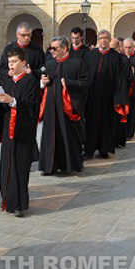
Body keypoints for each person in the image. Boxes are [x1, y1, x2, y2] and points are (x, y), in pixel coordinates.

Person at [0, 46, 39, 216]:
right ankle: (6, 199)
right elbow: (4, 109)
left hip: (22, 132)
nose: (11, 65)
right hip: (7, 131)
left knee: (19, 168)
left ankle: (18, 204)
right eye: (9, 62)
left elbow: (32, 106)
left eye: (14, 61)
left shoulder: (30, 81)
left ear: (23, 62)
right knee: (6, 166)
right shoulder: (7, 83)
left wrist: (13, 101)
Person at [38, 36, 88, 175]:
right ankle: (50, 166)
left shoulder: (77, 64)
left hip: (68, 108)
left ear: (64, 48)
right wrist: (43, 82)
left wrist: (69, 84)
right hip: (51, 108)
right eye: (50, 48)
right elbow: (43, 86)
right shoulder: (49, 64)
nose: (51, 51)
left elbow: (85, 83)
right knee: (50, 135)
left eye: (54, 48)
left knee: (68, 135)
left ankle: (70, 164)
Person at [83, 30, 128, 159]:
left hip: (109, 96)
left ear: (109, 40)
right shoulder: (90, 55)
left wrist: (119, 97)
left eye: (106, 38)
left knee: (106, 123)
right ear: (98, 40)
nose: (104, 40)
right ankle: (88, 150)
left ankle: (104, 149)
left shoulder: (116, 57)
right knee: (91, 123)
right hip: (92, 96)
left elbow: (120, 79)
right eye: (101, 38)